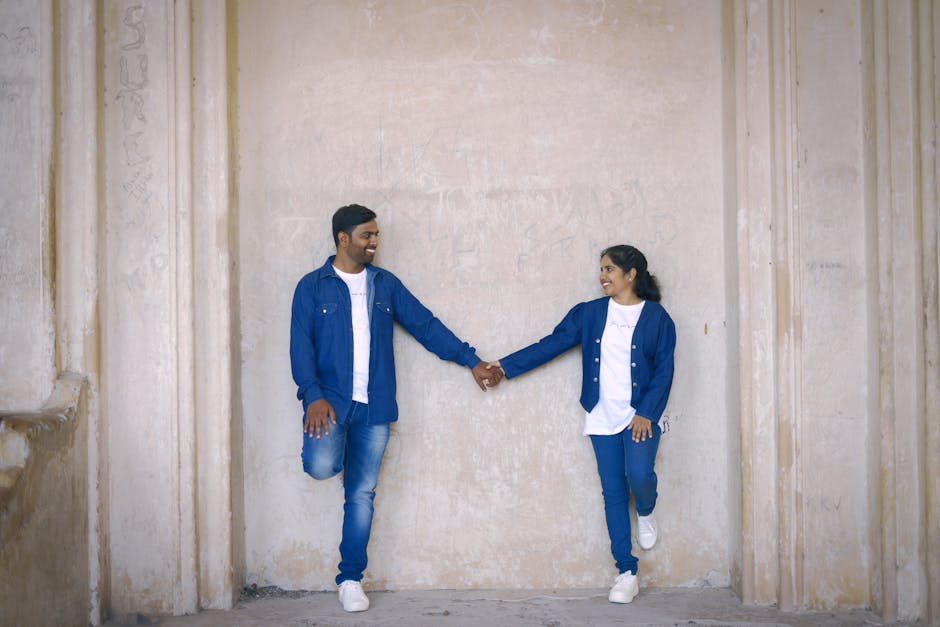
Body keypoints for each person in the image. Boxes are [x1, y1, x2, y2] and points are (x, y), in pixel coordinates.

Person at [289, 204, 503, 613]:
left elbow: (425, 325)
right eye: (367, 235)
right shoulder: (312, 287)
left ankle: (350, 578)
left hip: (375, 408)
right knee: (319, 466)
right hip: (329, 405)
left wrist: (470, 360)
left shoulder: (385, 285)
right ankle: (341, 459)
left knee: (362, 494)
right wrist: (311, 395)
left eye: (376, 235)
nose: (374, 242)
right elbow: (301, 345)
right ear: (342, 239)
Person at [491, 244, 676, 604]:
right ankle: (626, 571)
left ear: (631, 274)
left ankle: (648, 509)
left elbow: (665, 370)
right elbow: (552, 344)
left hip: (640, 415)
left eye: (609, 269)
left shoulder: (657, 318)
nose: (602, 276)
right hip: (601, 414)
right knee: (612, 492)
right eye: (601, 269)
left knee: (639, 476)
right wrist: (505, 365)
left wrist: (647, 413)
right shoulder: (590, 313)